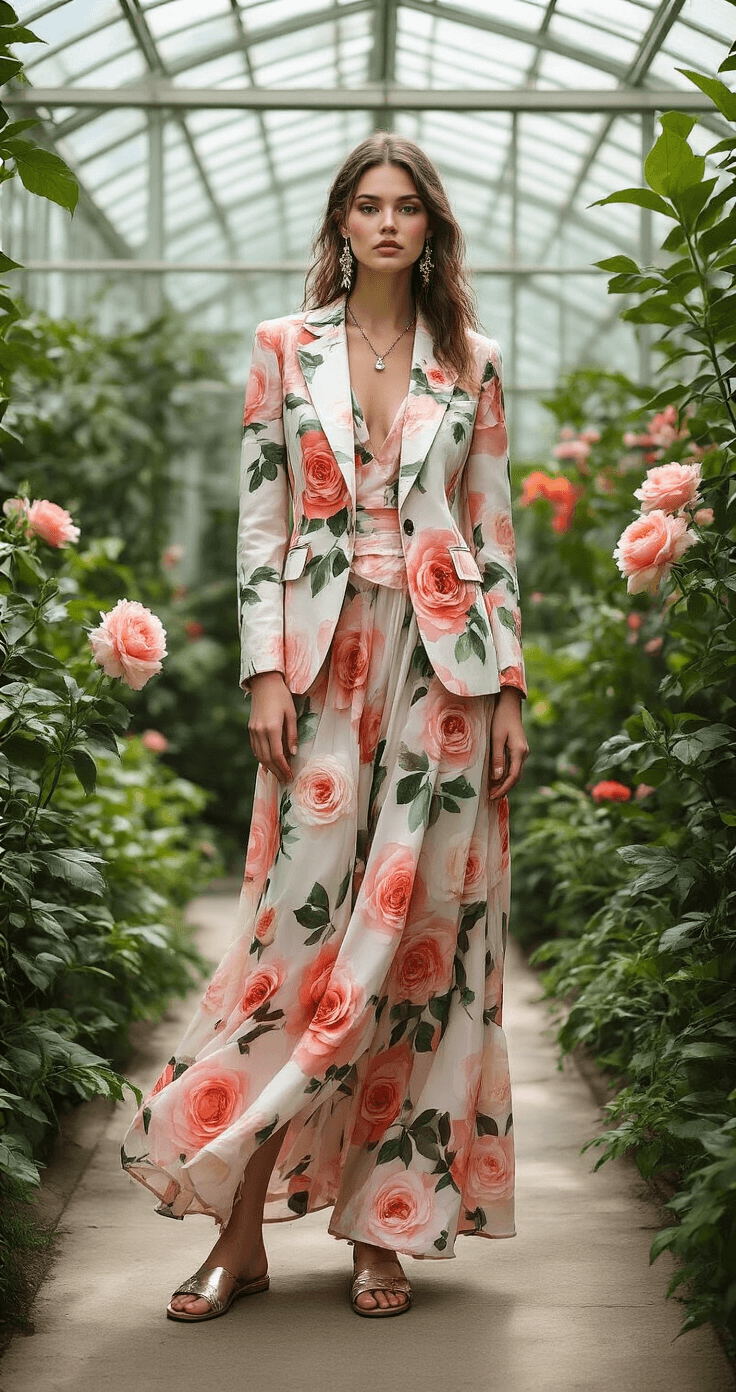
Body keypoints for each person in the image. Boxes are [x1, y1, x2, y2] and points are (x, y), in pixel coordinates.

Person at [120, 131, 529, 1322]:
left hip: (444, 679)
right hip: (322, 670)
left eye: (407, 206)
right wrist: (265, 672)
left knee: (415, 953)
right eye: (367, 204)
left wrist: (508, 688)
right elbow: (261, 522)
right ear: (341, 223)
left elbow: (492, 533)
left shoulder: (474, 361)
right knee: (290, 950)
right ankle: (238, 1233)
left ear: (430, 225)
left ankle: (379, 1228)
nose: (387, 222)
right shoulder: (282, 348)